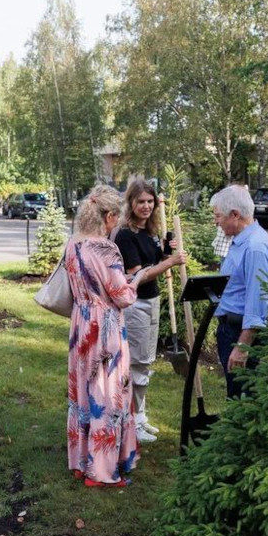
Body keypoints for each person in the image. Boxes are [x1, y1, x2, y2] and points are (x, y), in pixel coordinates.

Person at [66, 184, 155, 488]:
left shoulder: (73, 244)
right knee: (105, 393)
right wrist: (138, 278)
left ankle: (81, 462)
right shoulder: (106, 248)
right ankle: (101, 471)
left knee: (83, 392)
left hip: (81, 325)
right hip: (104, 326)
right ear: (109, 216)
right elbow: (123, 295)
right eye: (115, 217)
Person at [114, 179, 187, 444]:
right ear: (131, 204)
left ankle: (141, 417)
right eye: (140, 201)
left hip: (152, 301)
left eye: (150, 201)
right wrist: (170, 262)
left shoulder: (149, 231)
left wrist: (166, 251)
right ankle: (131, 421)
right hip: (136, 304)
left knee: (145, 360)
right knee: (136, 362)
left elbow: (153, 262)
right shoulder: (125, 235)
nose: (146, 206)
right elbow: (138, 277)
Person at [211, 185, 268, 398]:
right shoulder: (241, 241)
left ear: (235, 215)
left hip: (242, 333)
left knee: (244, 398)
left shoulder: (255, 246)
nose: (216, 222)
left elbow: (259, 301)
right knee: (236, 394)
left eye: (218, 216)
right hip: (231, 329)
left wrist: (243, 347)